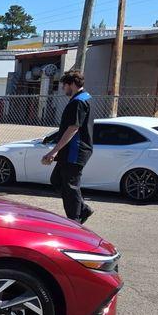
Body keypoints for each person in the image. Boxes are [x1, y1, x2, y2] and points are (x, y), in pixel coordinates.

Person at [42, 69, 94, 224]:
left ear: (71, 84)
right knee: (57, 180)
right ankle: (82, 208)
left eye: (64, 86)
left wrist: (53, 151)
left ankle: (75, 220)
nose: (63, 89)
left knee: (70, 186)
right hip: (71, 151)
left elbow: (73, 128)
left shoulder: (78, 102)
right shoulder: (84, 98)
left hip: (75, 151)